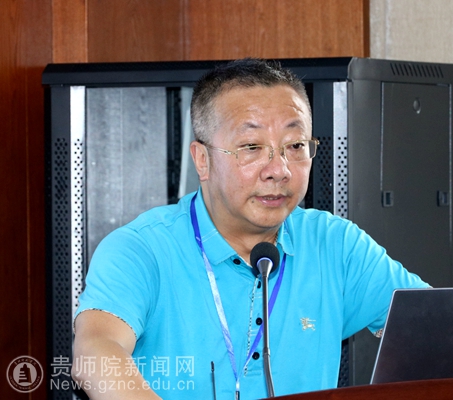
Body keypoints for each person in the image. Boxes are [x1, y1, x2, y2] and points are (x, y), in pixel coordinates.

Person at [72, 58, 429, 399]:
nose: (279, 170)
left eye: (295, 146)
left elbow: (439, 331)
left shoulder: (334, 245)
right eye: (252, 147)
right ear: (202, 160)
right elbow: (96, 354)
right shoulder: (141, 249)